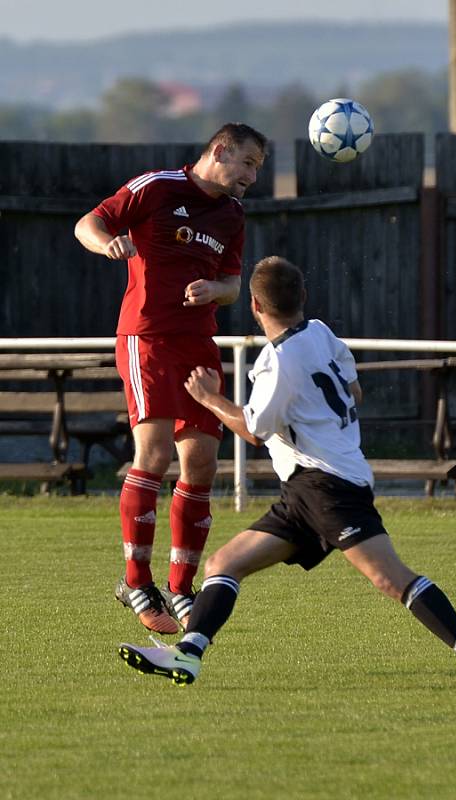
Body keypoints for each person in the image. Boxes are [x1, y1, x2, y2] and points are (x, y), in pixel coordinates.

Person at [118, 256, 456, 691]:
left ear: (254, 306)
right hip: (305, 490)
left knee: (390, 577)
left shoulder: (277, 362)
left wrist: (209, 399)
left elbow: (251, 430)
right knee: (224, 564)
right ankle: (188, 656)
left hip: (329, 488)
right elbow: (354, 391)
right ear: (302, 297)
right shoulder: (320, 332)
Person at [75, 123, 267, 635]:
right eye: (248, 163)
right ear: (220, 150)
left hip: (196, 342)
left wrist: (215, 292)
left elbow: (232, 283)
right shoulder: (157, 187)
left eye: (259, 168)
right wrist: (107, 243)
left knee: (202, 462)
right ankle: (136, 580)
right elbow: (87, 224)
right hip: (148, 337)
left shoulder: (232, 214)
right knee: (154, 454)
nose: (252, 175)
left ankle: (181, 587)